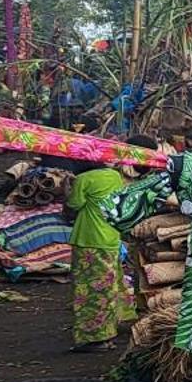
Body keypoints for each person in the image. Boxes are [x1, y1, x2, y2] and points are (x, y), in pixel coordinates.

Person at [65, 133, 159, 353]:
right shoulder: (114, 176)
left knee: (90, 289)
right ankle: (114, 324)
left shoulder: (83, 180)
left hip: (89, 239)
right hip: (111, 237)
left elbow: (74, 205)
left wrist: (68, 187)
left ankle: (96, 336)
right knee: (109, 283)